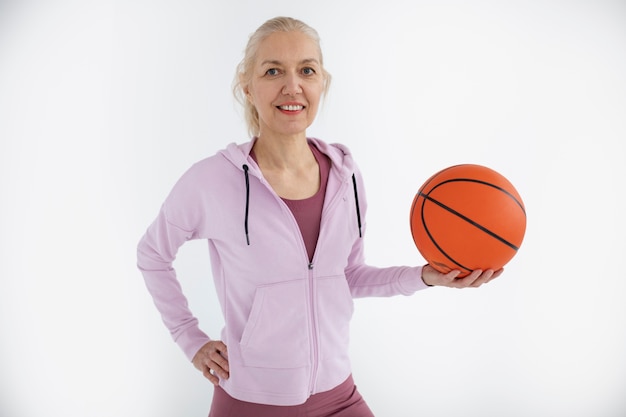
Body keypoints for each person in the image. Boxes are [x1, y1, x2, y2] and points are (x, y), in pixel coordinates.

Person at [136, 16, 502, 417]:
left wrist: (426, 276)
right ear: (247, 85)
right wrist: (189, 338)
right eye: (273, 70)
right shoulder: (212, 180)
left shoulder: (346, 176)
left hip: (338, 396)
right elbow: (152, 255)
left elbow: (346, 277)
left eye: (306, 70)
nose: (292, 86)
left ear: (321, 83)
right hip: (250, 403)